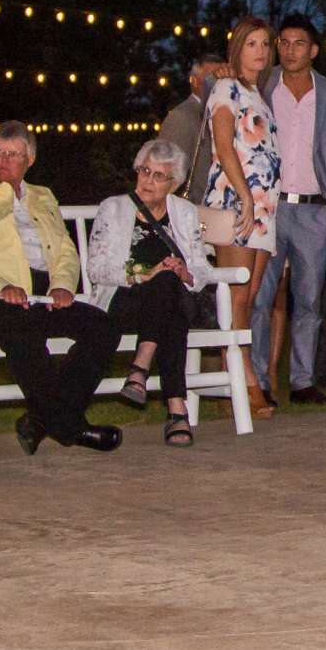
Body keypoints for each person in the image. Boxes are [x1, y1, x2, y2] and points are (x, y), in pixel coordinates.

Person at [0, 122, 122, 454]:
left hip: (41, 295)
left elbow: (65, 251)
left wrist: (63, 285)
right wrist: (1, 286)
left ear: (30, 159)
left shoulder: (43, 196)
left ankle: (39, 420)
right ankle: (71, 428)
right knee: (23, 333)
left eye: (13, 155)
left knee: (103, 327)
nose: (3, 161)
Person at [251, 16, 326, 407]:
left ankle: (302, 382)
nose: (290, 49)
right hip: (270, 208)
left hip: (315, 211)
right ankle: (258, 382)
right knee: (260, 297)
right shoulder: (261, 84)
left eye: (299, 43)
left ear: (313, 50)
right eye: (285, 42)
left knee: (310, 300)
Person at [88, 139, 213, 446]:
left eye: (158, 176)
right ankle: (176, 411)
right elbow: (96, 269)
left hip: (166, 303)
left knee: (170, 285)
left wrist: (184, 272)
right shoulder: (114, 208)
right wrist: (143, 274)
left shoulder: (183, 212)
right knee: (167, 293)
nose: (147, 180)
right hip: (123, 300)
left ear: (175, 183)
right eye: (145, 171)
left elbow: (202, 269)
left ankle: (139, 370)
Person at [199, 17, 280, 411]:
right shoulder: (225, 88)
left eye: (265, 44)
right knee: (237, 298)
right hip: (236, 202)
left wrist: (260, 202)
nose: (260, 51)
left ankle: (240, 379)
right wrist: (245, 198)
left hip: (265, 207)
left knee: (250, 296)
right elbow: (224, 144)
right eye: (252, 44)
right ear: (237, 47)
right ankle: (244, 383)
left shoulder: (258, 92)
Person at [157, 63, 219, 203]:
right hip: (193, 210)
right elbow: (167, 171)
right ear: (195, 81)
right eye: (212, 78)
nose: (217, 84)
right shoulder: (182, 116)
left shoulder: (221, 113)